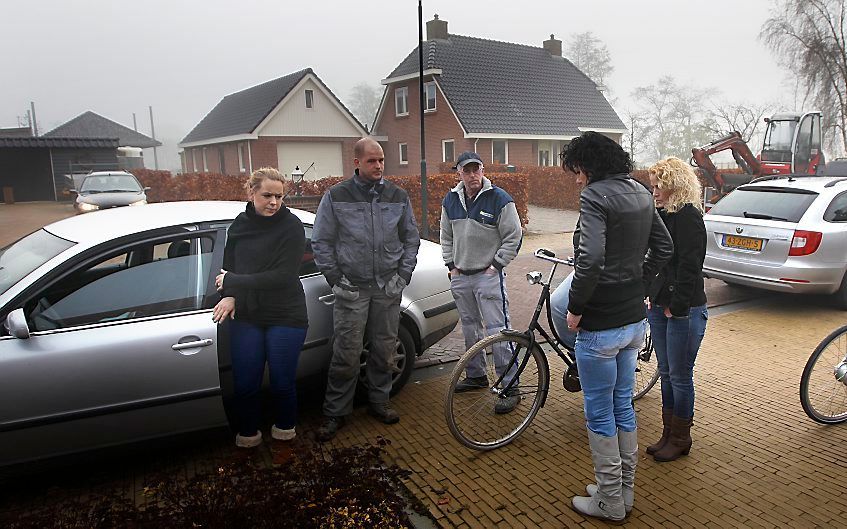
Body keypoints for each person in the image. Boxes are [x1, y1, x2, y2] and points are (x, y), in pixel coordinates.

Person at [562, 132, 673, 522]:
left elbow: (589, 260)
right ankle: (622, 492)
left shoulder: (595, 196)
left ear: (589, 166)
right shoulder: (642, 191)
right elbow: (664, 248)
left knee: (599, 412)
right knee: (622, 404)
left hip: (601, 324)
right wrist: (639, 286)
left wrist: (575, 308)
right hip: (633, 322)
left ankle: (609, 501)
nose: (577, 180)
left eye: (578, 171)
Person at [312, 137, 420, 441]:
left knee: (385, 350)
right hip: (352, 290)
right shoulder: (336, 196)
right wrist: (336, 280)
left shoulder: (397, 195)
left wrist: (403, 275)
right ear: (356, 162)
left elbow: (411, 238)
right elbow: (321, 242)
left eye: (382, 160)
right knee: (346, 353)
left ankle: (379, 402)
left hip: (387, 288)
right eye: (372, 161)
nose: (379, 166)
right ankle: (336, 412)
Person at [212, 167, 308, 449]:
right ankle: (248, 437)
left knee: (281, 383)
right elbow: (228, 266)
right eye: (267, 195)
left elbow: (283, 276)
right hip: (248, 313)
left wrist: (234, 281)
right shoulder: (240, 225)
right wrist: (230, 294)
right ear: (251, 192)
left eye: (279, 196)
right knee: (245, 385)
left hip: (285, 314)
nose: (274, 202)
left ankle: (284, 437)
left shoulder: (291, 227)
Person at [440, 151, 523, 413]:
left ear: (483, 171)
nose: (473, 175)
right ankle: (476, 376)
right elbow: (446, 235)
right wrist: (451, 265)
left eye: (477, 169)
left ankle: (510, 387)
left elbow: (514, 236)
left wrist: (496, 265)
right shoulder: (450, 200)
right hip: (461, 276)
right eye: (467, 170)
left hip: (488, 276)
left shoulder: (499, 199)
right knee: (469, 329)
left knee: (499, 331)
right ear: (459, 173)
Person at [644, 157, 708, 463]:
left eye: (660, 186)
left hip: (685, 309)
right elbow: (656, 261)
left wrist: (676, 307)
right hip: (659, 306)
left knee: (681, 376)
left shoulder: (688, 217)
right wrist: (649, 295)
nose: (654, 191)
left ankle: (681, 438)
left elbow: (690, 267)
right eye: (653, 186)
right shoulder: (662, 214)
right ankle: (668, 433)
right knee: (667, 373)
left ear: (675, 186)